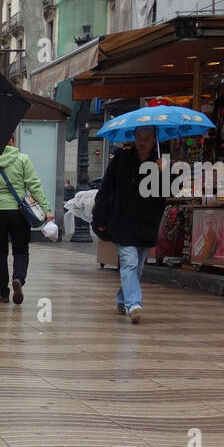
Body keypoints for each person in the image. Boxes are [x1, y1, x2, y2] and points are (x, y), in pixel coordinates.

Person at [92, 126, 164, 324]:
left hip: (147, 224)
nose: (142, 142)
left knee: (137, 268)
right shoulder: (122, 159)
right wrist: (100, 218)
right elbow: (106, 189)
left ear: (153, 139)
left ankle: (122, 299)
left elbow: (167, 193)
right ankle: (134, 304)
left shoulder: (160, 163)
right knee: (130, 263)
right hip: (122, 222)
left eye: (147, 138)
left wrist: (164, 173)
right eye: (139, 137)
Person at [0, 134, 52, 304]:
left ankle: (3, 293)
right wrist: (46, 209)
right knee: (21, 250)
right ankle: (18, 279)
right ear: (12, 141)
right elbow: (34, 185)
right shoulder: (22, 158)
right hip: (18, 212)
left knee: (0, 253)